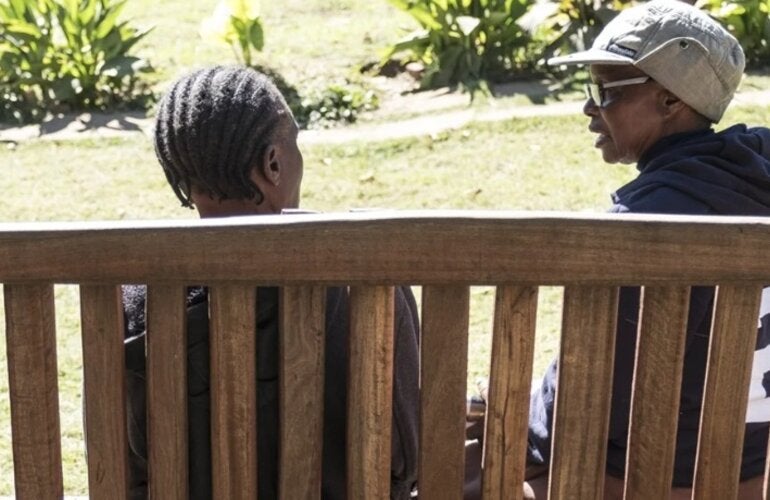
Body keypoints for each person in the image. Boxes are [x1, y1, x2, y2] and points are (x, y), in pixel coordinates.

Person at [123, 66, 420, 500]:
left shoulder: (137, 298)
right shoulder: (364, 276)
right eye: (293, 142)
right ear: (274, 163)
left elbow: (130, 468)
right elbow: (404, 463)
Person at [526, 1, 770, 497]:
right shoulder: (752, 178)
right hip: (752, 470)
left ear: (669, 102)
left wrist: (510, 410)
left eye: (605, 92)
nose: (589, 109)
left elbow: (582, 409)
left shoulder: (644, 228)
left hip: (647, 477)